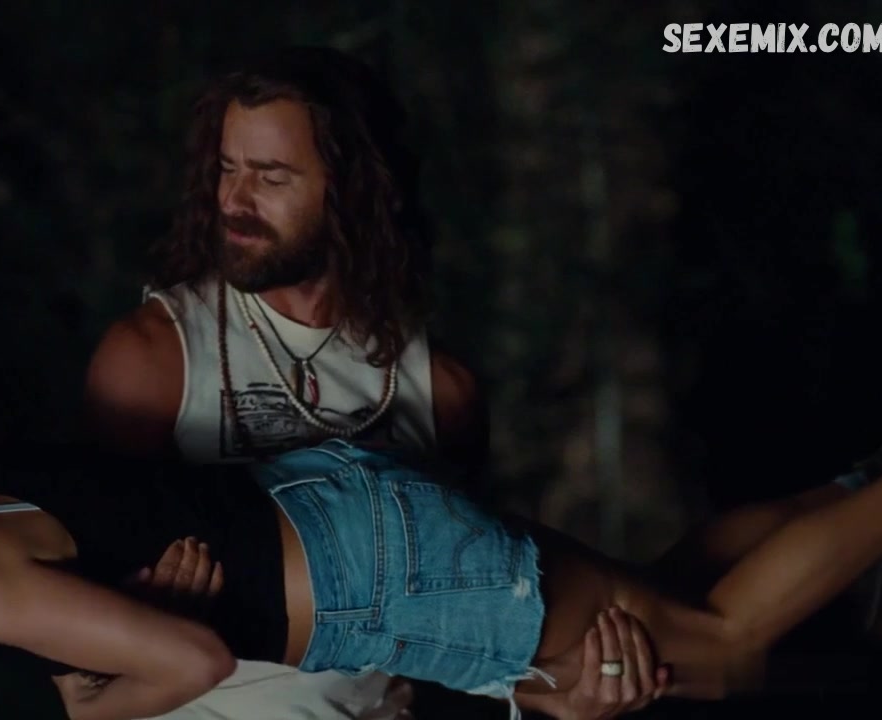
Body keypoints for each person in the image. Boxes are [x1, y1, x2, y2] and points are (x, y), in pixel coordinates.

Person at [0, 348, 882, 720]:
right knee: (662, 594)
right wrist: (114, 651)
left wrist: (92, 706)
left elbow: (192, 662)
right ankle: (864, 485)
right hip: (346, 517)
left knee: (716, 648)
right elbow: (120, 610)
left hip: (373, 578)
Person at [82, 45, 667, 720]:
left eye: (271, 177)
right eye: (227, 169)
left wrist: (561, 698)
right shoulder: (155, 359)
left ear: (352, 189)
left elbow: (456, 614)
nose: (234, 201)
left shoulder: (440, 388)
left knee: (691, 630)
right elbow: (75, 611)